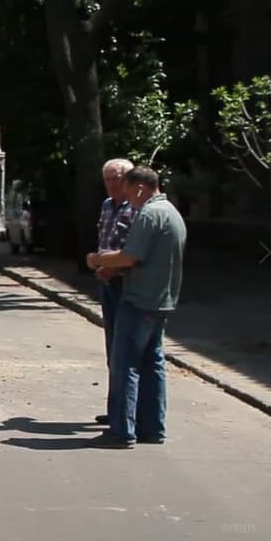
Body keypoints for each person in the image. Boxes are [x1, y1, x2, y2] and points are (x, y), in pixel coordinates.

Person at [85, 166, 186, 449]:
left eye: (128, 190)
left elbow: (130, 257)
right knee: (152, 363)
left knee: (124, 363)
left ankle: (121, 431)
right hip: (161, 300)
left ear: (140, 188)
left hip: (140, 299)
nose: (126, 197)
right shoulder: (171, 212)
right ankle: (152, 428)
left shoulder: (150, 214)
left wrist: (98, 259)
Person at [93, 158, 136, 426]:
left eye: (116, 179)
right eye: (107, 179)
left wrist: (113, 269)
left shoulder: (137, 208)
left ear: (128, 180)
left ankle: (128, 412)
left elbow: (135, 250)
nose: (111, 185)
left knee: (126, 348)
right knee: (112, 347)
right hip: (106, 282)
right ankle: (116, 409)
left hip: (125, 283)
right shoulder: (108, 206)